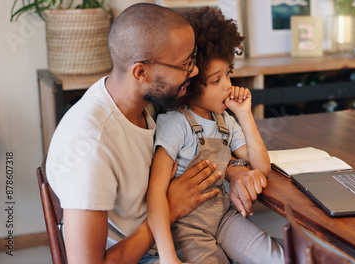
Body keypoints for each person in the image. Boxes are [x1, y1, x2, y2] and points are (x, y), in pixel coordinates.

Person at [45, 4, 224, 263]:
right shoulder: (90, 145)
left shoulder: (145, 102)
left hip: (176, 233)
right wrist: (170, 209)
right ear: (141, 72)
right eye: (185, 64)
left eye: (192, 58)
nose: (194, 71)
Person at [147, 7, 284, 264]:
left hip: (225, 218)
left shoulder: (225, 121)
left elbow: (262, 166)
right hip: (189, 229)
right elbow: (155, 194)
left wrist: (245, 115)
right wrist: (168, 256)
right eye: (216, 80)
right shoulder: (174, 124)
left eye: (228, 74)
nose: (228, 86)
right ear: (190, 85)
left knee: (280, 258)